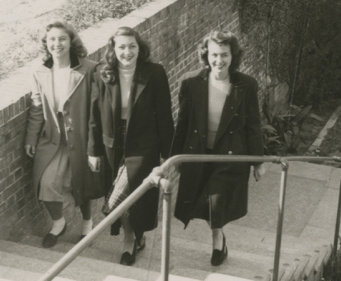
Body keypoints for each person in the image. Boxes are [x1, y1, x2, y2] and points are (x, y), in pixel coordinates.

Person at [170, 30, 265, 267]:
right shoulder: (190, 83)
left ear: (233, 56)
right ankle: (219, 236)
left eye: (224, 55)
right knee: (202, 202)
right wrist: (174, 158)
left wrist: (258, 161)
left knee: (216, 201)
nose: (219, 61)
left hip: (230, 154)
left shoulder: (246, 85)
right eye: (214, 55)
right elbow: (183, 123)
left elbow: (253, 125)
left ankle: (217, 240)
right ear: (206, 55)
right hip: (198, 152)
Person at [88, 27, 174, 266]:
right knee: (127, 194)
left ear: (140, 47)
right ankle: (134, 235)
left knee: (122, 197)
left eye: (132, 46)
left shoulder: (154, 73)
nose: (127, 52)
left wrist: (169, 157)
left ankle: (129, 241)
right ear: (113, 49)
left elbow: (165, 116)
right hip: (112, 145)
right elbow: (94, 115)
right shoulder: (101, 73)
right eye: (122, 47)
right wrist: (93, 150)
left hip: (144, 144)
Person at [24, 20, 105, 248]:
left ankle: (87, 225)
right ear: (45, 43)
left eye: (62, 39)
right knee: (46, 182)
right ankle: (59, 223)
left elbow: (96, 110)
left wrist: (94, 146)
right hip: (54, 138)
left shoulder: (90, 69)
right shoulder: (39, 71)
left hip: (82, 138)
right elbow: (37, 107)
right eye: (52, 39)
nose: (56, 44)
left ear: (71, 42)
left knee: (83, 183)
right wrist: (31, 137)